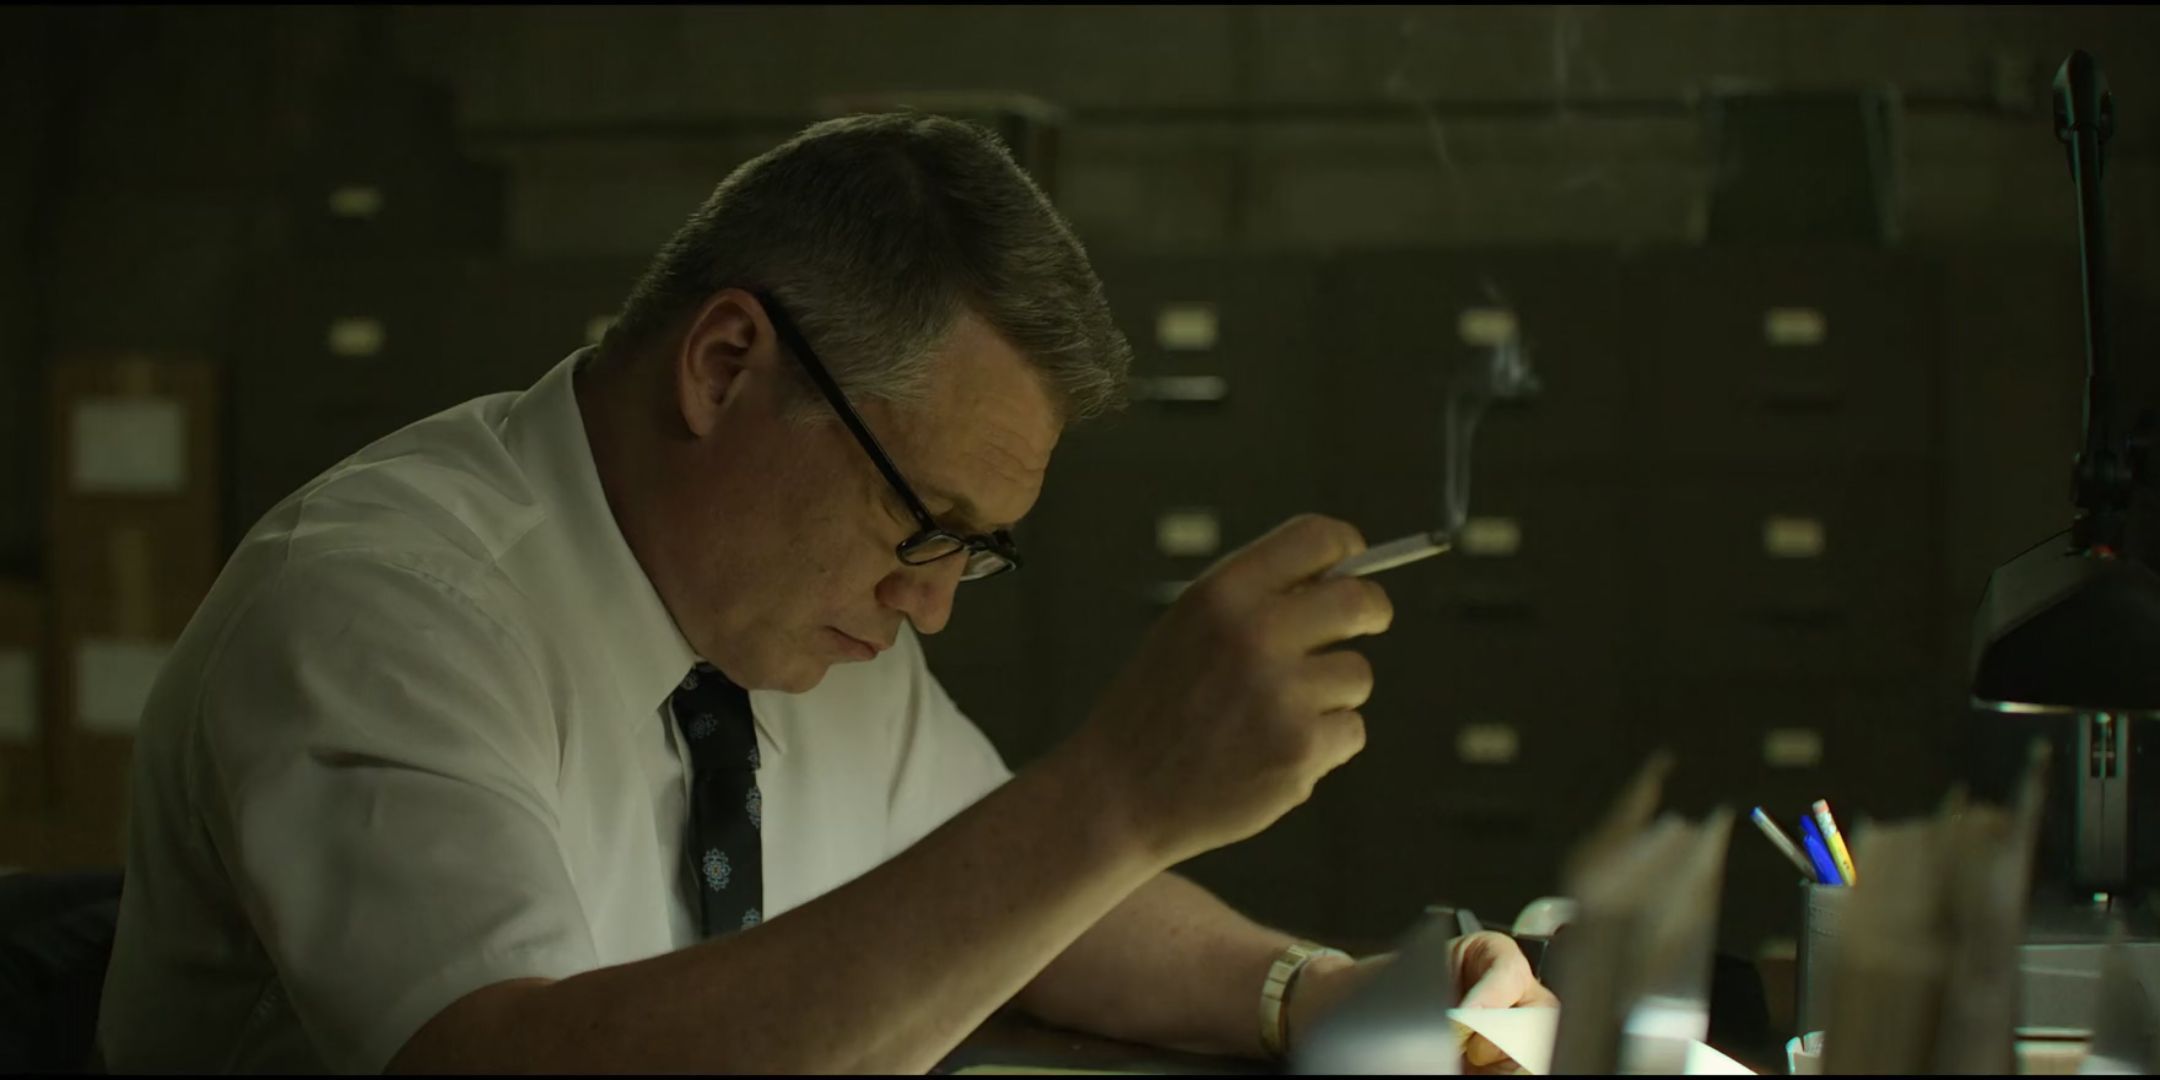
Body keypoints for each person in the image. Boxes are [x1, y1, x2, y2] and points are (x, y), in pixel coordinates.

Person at [96, 111, 1554, 1074]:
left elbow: (1019, 893)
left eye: (972, 547)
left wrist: (1318, 993)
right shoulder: (383, 609)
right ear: (726, 365)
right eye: (922, 520)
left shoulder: (799, 620)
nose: (931, 605)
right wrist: (1119, 786)